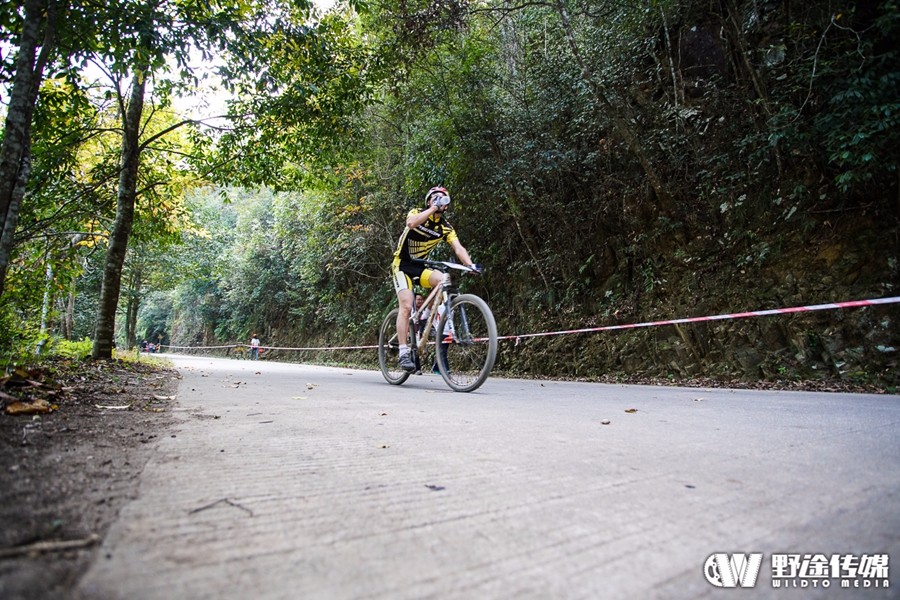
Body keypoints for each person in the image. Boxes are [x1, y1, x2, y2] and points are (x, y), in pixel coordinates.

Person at [391, 186, 477, 373]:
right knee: (406, 306)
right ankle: (403, 352)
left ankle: (429, 316)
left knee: (443, 279)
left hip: (421, 266)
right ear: (428, 201)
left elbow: (458, 248)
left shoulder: (446, 228)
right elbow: (411, 224)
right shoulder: (416, 212)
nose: (438, 200)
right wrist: (431, 209)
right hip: (402, 264)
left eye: (442, 198)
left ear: (446, 206)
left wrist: (470, 265)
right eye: (434, 198)